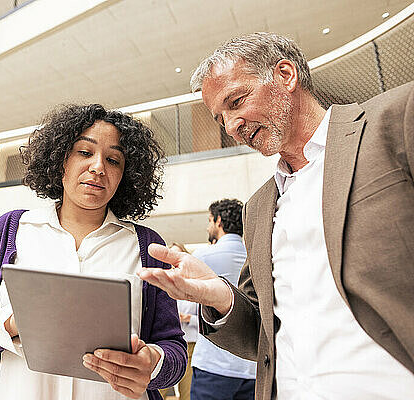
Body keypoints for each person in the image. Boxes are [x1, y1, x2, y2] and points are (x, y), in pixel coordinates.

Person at [139, 32, 414, 400]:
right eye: (221, 119)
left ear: (285, 75)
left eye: (236, 101)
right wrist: (220, 296)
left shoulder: (395, 121)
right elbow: (262, 337)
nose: (232, 126)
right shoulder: (258, 207)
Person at [0, 103, 187, 400]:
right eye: (85, 152)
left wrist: (152, 363)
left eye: (113, 160)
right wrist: (14, 324)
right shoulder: (11, 230)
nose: (98, 167)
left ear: (125, 175)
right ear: (61, 161)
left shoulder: (147, 246)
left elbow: (175, 353)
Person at [189, 199, 255, 400]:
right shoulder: (256, 256)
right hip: (252, 368)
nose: (208, 226)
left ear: (219, 221)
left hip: (213, 365)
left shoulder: (203, 256)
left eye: (210, 220)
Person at [159, 243, 198, 400]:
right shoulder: (161, 284)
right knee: (159, 390)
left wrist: (188, 318)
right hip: (167, 343)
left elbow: (206, 319)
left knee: (186, 392)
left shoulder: (196, 285)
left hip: (190, 344)